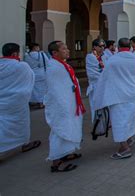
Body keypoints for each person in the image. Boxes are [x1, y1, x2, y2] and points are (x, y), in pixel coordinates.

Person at [94, 38, 135, 159]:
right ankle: (128, 139)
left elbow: (105, 79)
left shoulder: (113, 60)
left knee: (119, 122)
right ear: (130, 46)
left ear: (118, 46)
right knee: (128, 119)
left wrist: (101, 96)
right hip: (132, 95)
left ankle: (125, 148)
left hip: (118, 96)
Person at [45, 41, 84, 172]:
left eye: (67, 47)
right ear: (55, 53)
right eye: (64, 49)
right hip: (62, 106)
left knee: (69, 127)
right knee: (60, 131)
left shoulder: (62, 64)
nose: (67, 50)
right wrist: (64, 107)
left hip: (69, 103)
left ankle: (67, 152)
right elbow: (56, 91)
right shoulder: (54, 67)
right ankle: (56, 162)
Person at [0, 43, 41, 154]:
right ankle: (25, 143)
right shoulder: (21, 66)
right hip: (17, 102)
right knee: (20, 124)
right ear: (15, 53)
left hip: (2, 103)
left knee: (2, 125)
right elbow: (29, 79)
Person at [85, 39, 105, 120]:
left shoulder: (103, 56)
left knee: (105, 106)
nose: (102, 48)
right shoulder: (90, 57)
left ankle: (106, 123)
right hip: (96, 85)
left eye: (104, 46)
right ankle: (98, 127)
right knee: (97, 106)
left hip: (104, 85)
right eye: (100, 46)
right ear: (94, 47)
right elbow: (93, 74)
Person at [24, 43, 49, 107]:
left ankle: (32, 101)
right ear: (35, 47)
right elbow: (47, 63)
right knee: (42, 89)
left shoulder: (27, 55)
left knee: (34, 89)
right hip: (42, 73)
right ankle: (41, 103)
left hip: (32, 73)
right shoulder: (42, 54)